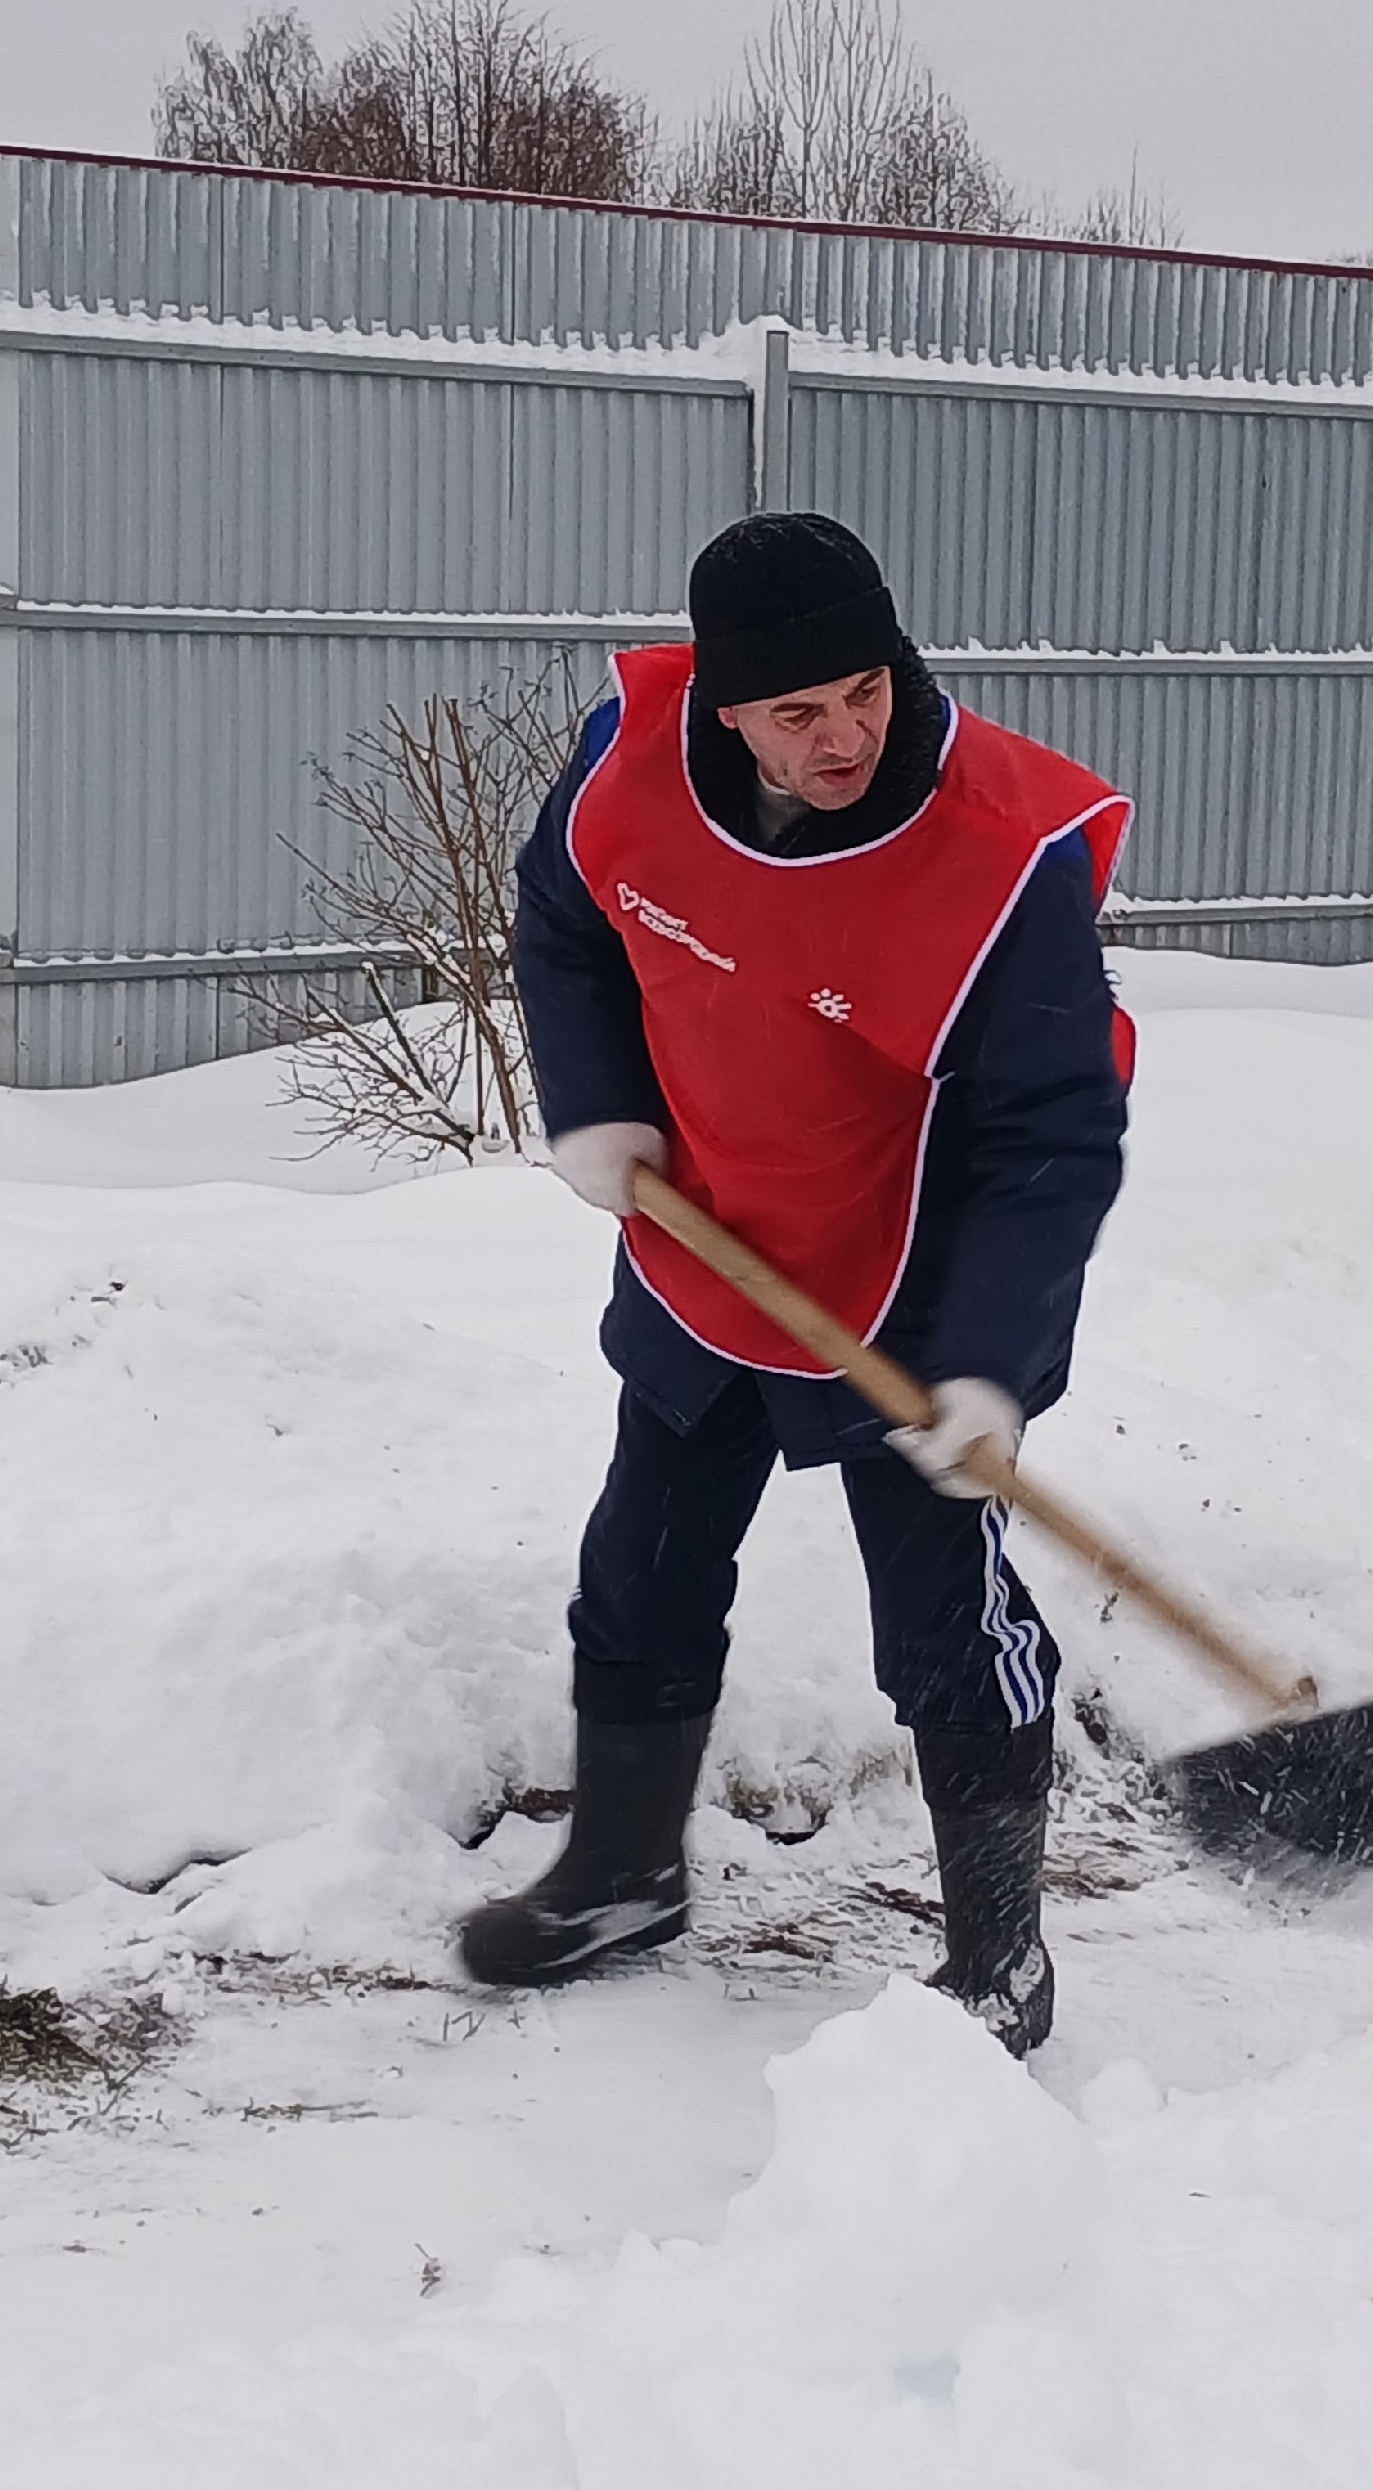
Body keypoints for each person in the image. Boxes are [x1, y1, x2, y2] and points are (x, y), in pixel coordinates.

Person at [460, 512, 1132, 2055]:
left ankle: (1000, 1962)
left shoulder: (1000, 849)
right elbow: (563, 925)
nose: (842, 735)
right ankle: (625, 1869)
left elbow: (1055, 1127)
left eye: (866, 691)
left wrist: (989, 1365)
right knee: (643, 1559)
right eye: (796, 709)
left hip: (916, 1287)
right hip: (709, 1245)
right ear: (725, 707)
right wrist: (597, 1102)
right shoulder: (632, 764)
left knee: (946, 1622)